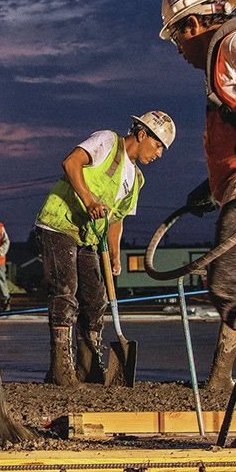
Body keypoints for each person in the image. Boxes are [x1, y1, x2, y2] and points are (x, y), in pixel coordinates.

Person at [159, 0, 236, 391]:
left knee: (232, 285)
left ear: (192, 25)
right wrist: (215, 185)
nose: (179, 50)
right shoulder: (221, 65)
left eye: (176, 38)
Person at [34, 112, 175, 386]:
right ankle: (60, 369)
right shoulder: (107, 141)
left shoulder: (136, 179)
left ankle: (88, 367)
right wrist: (88, 201)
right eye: (158, 145)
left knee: (96, 298)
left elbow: (116, 219)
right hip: (59, 223)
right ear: (142, 134)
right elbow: (71, 162)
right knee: (65, 291)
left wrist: (114, 254)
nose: (159, 153)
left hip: (88, 236)